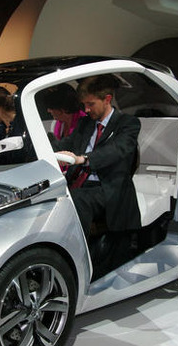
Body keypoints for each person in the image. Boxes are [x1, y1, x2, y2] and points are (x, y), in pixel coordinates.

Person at [52, 74, 141, 238]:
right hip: (79, 183)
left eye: (90, 104)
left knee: (76, 199)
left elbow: (116, 150)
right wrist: (43, 146)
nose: (86, 109)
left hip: (107, 188)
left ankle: (77, 248)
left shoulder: (128, 123)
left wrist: (83, 159)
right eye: (84, 104)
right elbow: (66, 143)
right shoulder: (85, 123)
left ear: (107, 99)